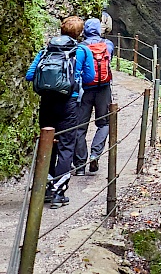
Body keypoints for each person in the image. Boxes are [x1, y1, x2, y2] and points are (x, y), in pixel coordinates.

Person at [26, 16, 95, 209]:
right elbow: (90, 78)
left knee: (48, 143)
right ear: (80, 33)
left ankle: (45, 189)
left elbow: (30, 75)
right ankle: (58, 193)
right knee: (66, 145)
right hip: (68, 103)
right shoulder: (82, 50)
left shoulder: (46, 50)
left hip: (47, 103)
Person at [73, 17, 115, 174]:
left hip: (84, 90)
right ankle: (95, 154)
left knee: (79, 127)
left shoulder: (80, 47)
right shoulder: (108, 45)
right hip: (103, 89)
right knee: (104, 123)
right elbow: (110, 59)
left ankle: (79, 166)